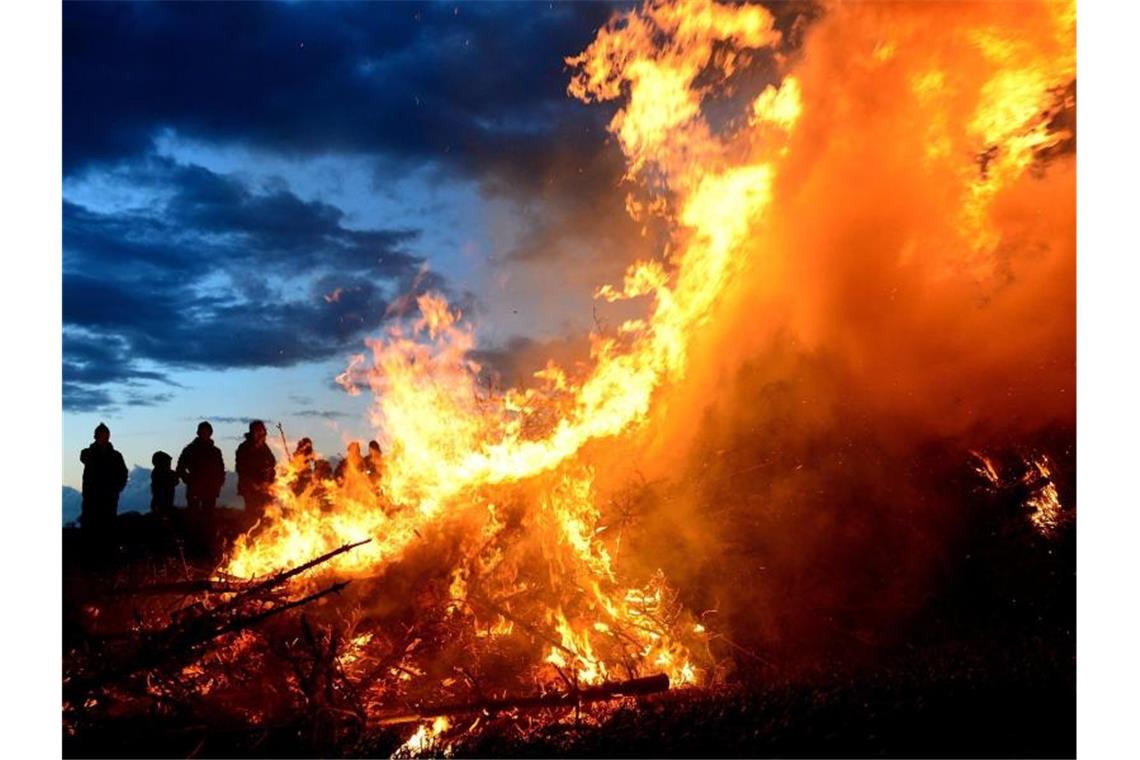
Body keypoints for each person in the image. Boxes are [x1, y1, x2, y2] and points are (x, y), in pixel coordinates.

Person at [79, 422, 129, 537]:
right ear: (95, 437)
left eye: (106, 435)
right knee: (90, 529)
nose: (103, 438)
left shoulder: (116, 456)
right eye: (101, 435)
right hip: (91, 499)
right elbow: (84, 457)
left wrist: (117, 488)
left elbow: (123, 473)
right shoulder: (87, 453)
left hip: (109, 499)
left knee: (108, 529)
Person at [177, 421, 225, 510]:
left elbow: (220, 470)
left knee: (207, 516)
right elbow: (180, 468)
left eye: (207, 432)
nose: (205, 434)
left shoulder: (215, 452)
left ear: (210, 433)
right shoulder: (189, 450)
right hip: (194, 488)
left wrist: (218, 484)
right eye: (203, 432)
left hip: (210, 489)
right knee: (193, 517)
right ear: (198, 433)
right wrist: (189, 480)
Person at [235, 420, 276, 518]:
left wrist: (269, 481)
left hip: (265, 487)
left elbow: (272, 462)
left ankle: (263, 532)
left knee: (264, 511)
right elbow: (241, 468)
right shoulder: (244, 447)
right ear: (252, 432)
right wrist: (252, 483)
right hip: (250, 487)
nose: (260, 433)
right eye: (257, 431)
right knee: (252, 512)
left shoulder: (264, 447)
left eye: (262, 430)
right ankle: (249, 531)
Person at [150, 451, 178, 516]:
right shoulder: (159, 475)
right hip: (162, 506)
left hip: (164, 505)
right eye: (167, 463)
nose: (169, 465)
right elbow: (160, 493)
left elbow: (175, 482)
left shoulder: (163, 473)